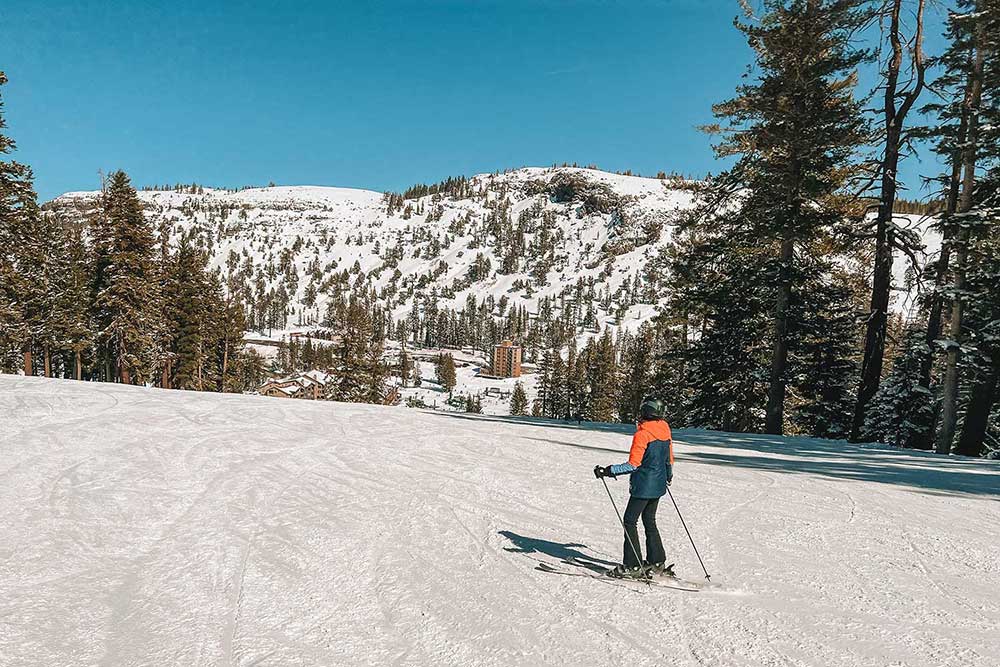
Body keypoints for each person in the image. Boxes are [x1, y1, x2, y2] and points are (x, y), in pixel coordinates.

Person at [594, 398, 673, 578]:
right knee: (649, 520)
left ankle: (633, 565)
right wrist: (668, 474)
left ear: (646, 412)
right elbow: (669, 457)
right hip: (659, 484)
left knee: (630, 521)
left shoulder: (643, 434)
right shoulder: (664, 428)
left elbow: (633, 465)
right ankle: (657, 561)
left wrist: (609, 470)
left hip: (644, 486)